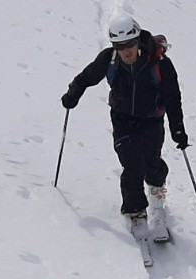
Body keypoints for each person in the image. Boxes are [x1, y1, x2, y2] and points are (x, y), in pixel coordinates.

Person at [62, 15, 188, 240]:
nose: (126, 51)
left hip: (151, 120)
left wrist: (178, 128)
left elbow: (172, 97)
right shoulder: (109, 59)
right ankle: (135, 212)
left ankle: (157, 197)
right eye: (120, 46)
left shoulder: (159, 62)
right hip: (122, 119)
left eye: (130, 44)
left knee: (152, 161)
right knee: (131, 165)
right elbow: (86, 77)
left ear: (137, 41)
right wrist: (73, 94)